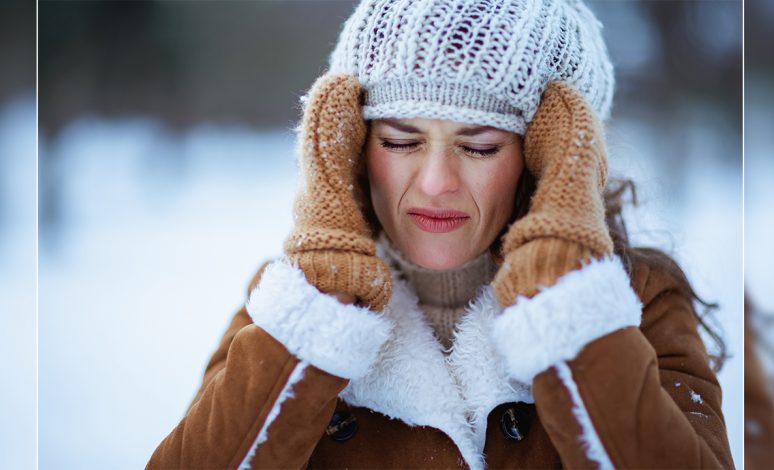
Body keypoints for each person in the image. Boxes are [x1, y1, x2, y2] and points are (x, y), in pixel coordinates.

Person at [147, 0, 734, 468]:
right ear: (353, 142)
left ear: (548, 157)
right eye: (400, 141)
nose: (434, 182)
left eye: (479, 146)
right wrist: (322, 308)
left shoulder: (636, 301)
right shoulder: (291, 305)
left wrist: (564, 295)